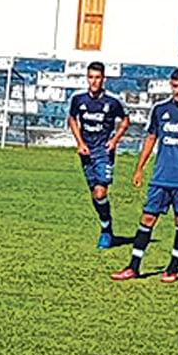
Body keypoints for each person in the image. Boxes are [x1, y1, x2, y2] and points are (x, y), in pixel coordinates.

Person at [111, 67, 178, 282]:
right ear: (170, 86)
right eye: (175, 86)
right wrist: (139, 167)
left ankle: (173, 267)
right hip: (160, 177)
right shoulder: (159, 110)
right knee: (147, 218)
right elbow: (151, 138)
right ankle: (133, 266)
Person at [68, 61, 130, 249]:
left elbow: (125, 120)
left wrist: (114, 140)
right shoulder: (79, 100)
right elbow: (72, 118)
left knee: (100, 191)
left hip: (104, 151)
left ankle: (105, 230)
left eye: (97, 78)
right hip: (86, 152)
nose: (94, 81)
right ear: (87, 78)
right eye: (91, 77)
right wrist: (79, 142)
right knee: (95, 195)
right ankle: (106, 225)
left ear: (103, 79)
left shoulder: (111, 102)